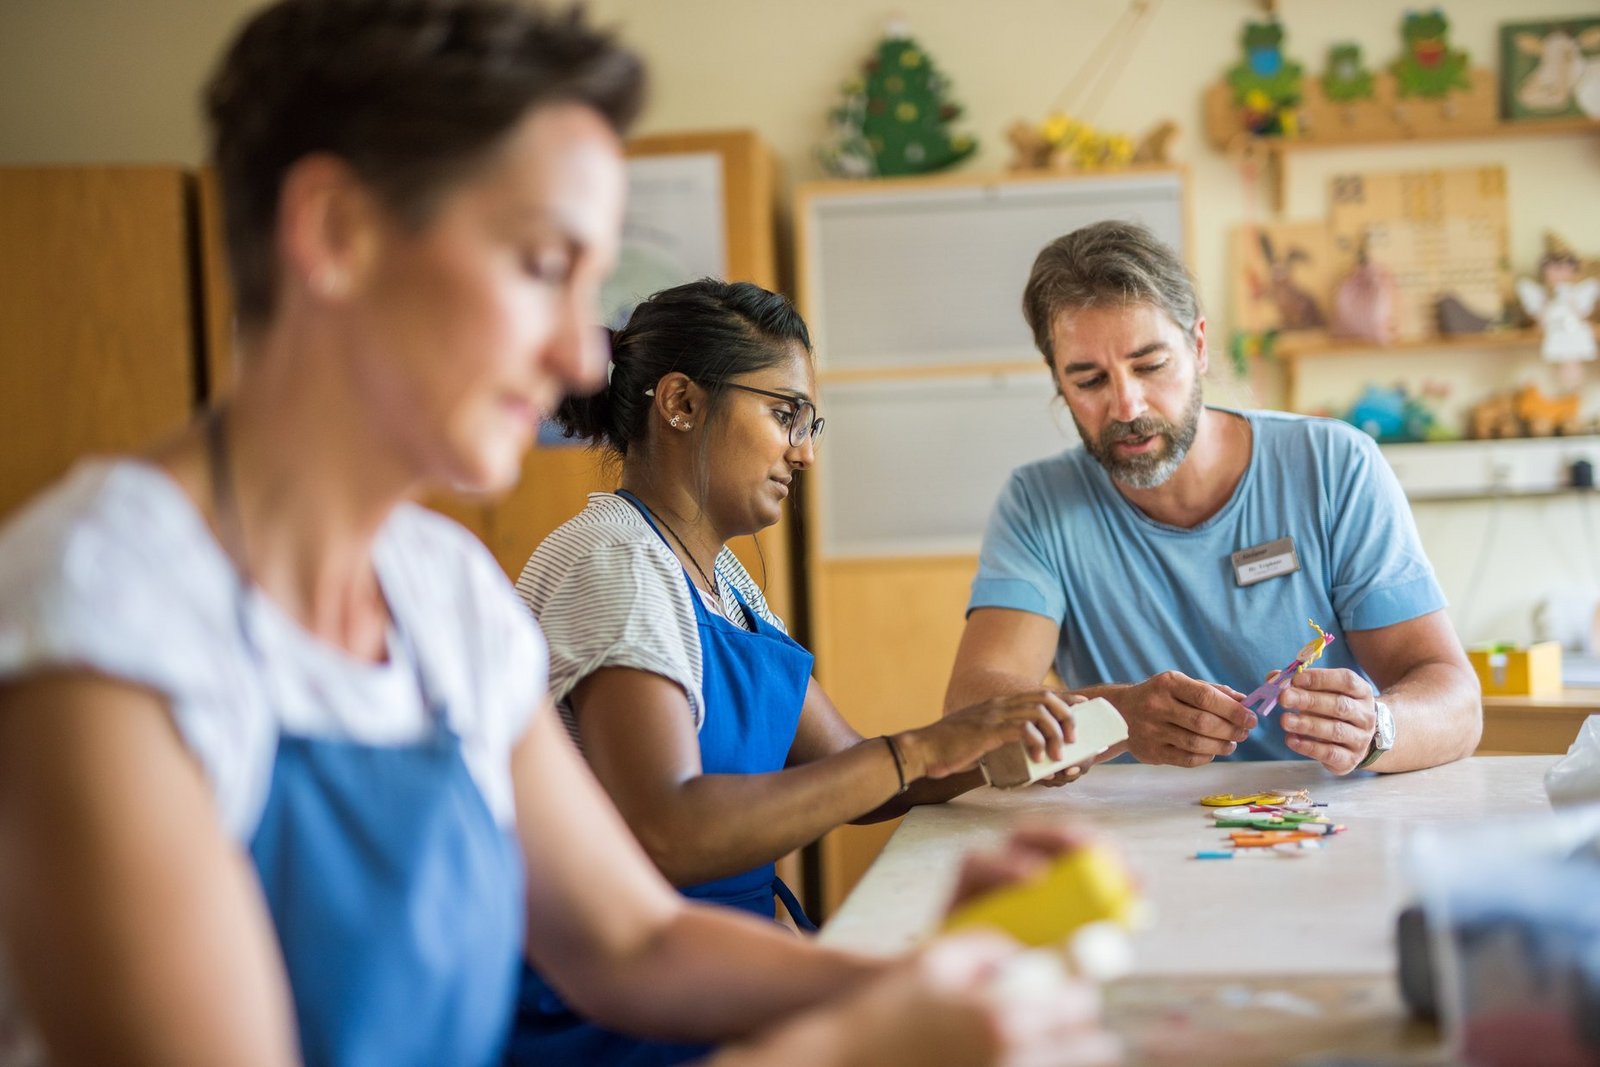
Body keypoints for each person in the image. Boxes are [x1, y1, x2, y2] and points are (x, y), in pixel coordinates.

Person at [0, 3, 1119, 1066]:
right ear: (335, 234)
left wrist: (929, 979)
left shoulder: (443, 591)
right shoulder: (100, 625)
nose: (586, 361)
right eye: (541, 265)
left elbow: (632, 942)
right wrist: (861, 1039)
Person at [511, 277, 1090, 1063]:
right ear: (680, 403)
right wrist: (923, 747)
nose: (806, 450)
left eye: (809, 421)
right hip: (628, 1006)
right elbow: (670, 831)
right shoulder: (613, 562)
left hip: (725, 967)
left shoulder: (726, 584)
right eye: (785, 413)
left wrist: (1009, 742)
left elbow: (858, 772)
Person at [945, 220, 1481, 775]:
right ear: (1058, 381)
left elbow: (1457, 706)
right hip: (1132, 839)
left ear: (1198, 347)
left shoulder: (1334, 466)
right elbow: (968, 708)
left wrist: (1380, 728)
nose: (1127, 406)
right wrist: (1113, 716)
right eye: (1089, 381)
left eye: (1151, 366)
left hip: (1327, 823)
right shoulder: (1037, 504)